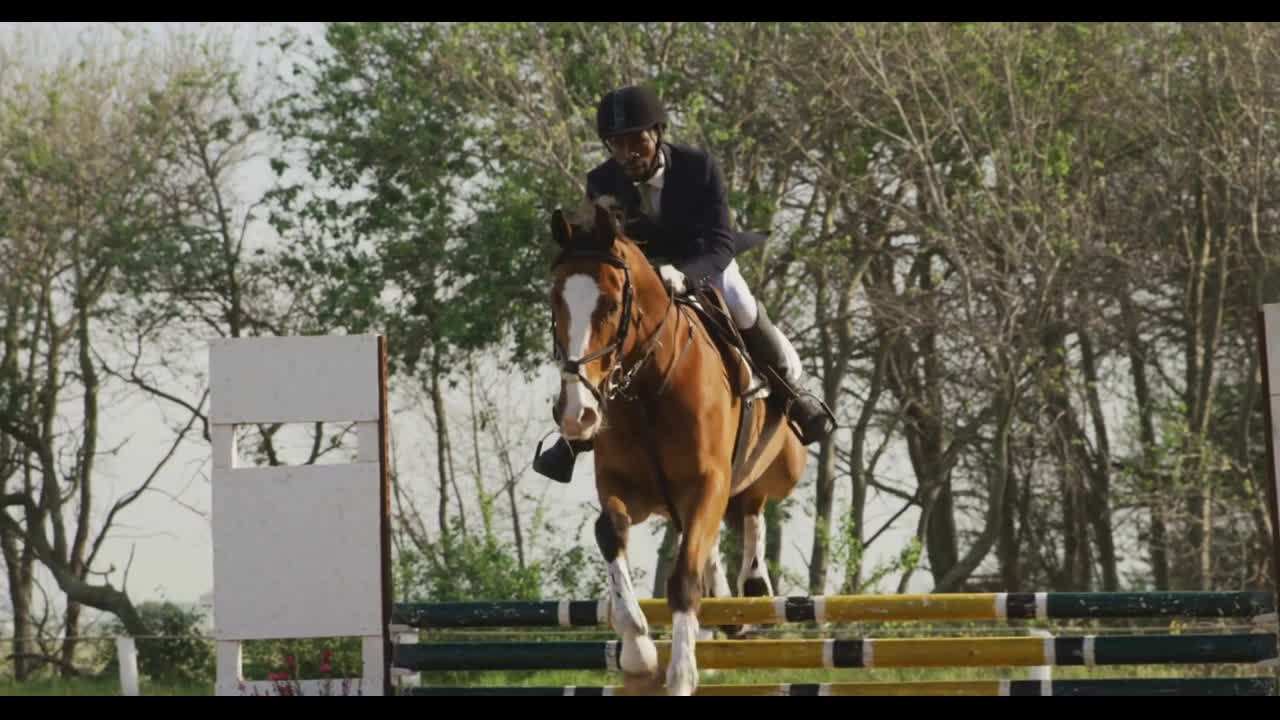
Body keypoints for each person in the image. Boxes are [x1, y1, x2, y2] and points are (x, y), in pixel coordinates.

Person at [533, 85, 835, 484]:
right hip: (642, 278)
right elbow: (602, 247)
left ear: (657, 133)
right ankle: (573, 436)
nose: (627, 154)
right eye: (616, 145)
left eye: (636, 141)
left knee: (740, 302)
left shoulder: (699, 167)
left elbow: (721, 242)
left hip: (703, 262)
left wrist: (685, 273)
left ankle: (793, 392)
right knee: (594, 331)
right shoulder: (602, 180)